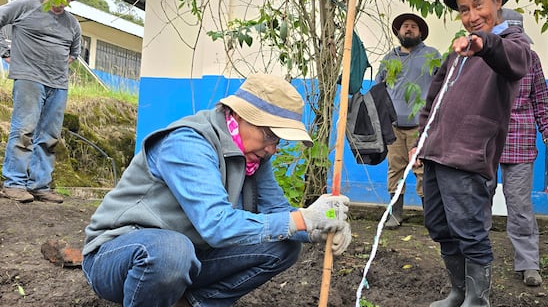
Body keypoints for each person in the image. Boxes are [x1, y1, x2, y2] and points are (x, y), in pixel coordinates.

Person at [82, 74, 353, 307]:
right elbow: (216, 224)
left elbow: (278, 213)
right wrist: (302, 219)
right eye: (270, 134)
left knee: (284, 245)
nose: (273, 147)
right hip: (120, 255)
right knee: (171, 251)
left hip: (189, 256)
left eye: (278, 139)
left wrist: (320, 227)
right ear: (239, 116)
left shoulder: (255, 157)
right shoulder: (188, 143)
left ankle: (189, 304)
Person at [412, 0, 531, 307]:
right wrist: (422, 141)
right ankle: (458, 292)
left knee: (469, 231)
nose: (472, 15)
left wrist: (484, 44)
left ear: (497, 2)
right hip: (436, 153)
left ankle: (478, 301)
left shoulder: (510, 43)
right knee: (440, 226)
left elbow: (516, 61)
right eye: (465, 10)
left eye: (478, 5)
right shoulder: (456, 52)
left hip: (468, 157)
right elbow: (433, 100)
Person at [0, 0, 84, 204]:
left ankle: (39, 185)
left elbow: (73, 53)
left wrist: (56, 67)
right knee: (24, 129)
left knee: (49, 136)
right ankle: (14, 183)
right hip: (29, 78)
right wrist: (5, 52)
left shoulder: (72, 24)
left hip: (58, 84)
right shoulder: (26, 6)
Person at [495, 9, 548, 287]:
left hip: (519, 142)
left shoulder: (531, 59)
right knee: (475, 204)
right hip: (483, 140)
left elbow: (542, 104)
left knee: (520, 205)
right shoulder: (483, 56)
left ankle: (528, 263)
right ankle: (472, 263)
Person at [375, 12, 440, 229]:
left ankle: (430, 217)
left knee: (423, 171)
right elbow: (380, 88)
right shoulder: (389, 58)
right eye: (405, 26)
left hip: (421, 127)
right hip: (393, 127)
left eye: (413, 26)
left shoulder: (432, 55)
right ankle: (395, 214)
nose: (409, 29)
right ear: (399, 31)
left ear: (420, 32)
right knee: (395, 169)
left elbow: (443, 85)